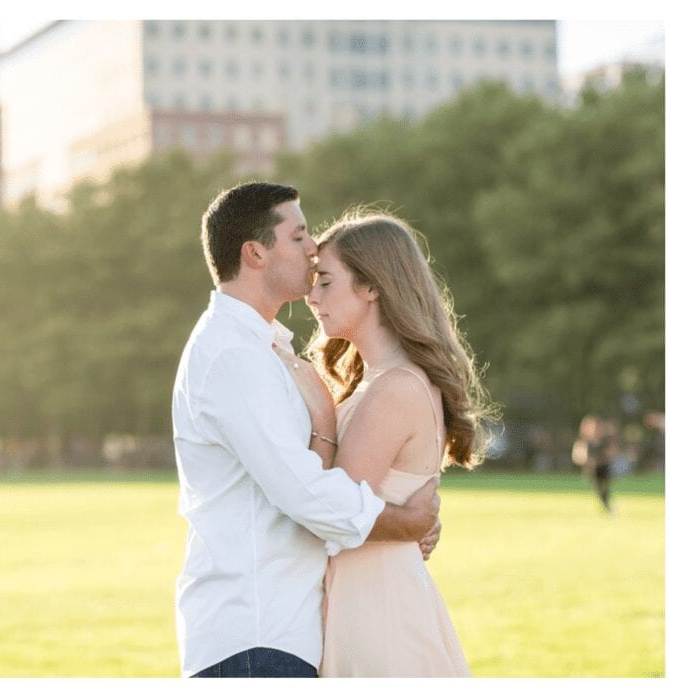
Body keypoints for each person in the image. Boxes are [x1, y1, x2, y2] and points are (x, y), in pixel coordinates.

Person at [172, 183, 442, 678]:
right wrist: (404, 524)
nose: (313, 248)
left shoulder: (264, 349)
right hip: (255, 632)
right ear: (255, 254)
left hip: (278, 628)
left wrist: (401, 521)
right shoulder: (234, 354)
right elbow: (303, 494)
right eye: (298, 237)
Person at [274, 208, 494, 676]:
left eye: (326, 281)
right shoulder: (379, 382)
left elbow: (329, 511)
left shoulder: (392, 387)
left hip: (377, 613)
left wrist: (318, 411)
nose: (311, 297)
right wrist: (412, 523)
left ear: (372, 286)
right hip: (370, 597)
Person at [572, 414, 617, 513]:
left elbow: (611, 452)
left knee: (605, 488)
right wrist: (587, 461)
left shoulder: (606, 440)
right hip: (592, 469)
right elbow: (578, 455)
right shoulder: (585, 440)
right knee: (598, 488)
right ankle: (605, 505)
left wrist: (602, 459)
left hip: (604, 467)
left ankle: (607, 505)